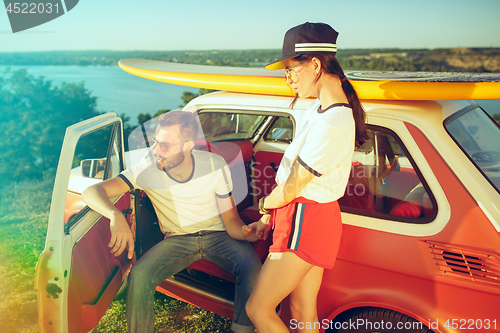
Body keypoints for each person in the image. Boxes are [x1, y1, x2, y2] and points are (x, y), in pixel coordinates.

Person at [82, 111, 261, 333]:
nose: (157, 150)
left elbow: (231, 220)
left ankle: (241, 330)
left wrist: (246, 233)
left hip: (219, 235)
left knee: (251, 266)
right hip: (178, 240)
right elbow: (92, 191)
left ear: (187, 145)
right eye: (156, 142)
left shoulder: (215, 164)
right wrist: (115, 215)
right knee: (140, 274)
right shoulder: (147, 167)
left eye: (165, 145)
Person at [245, 22, 367, 333]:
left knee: (258, 308)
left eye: (291, 69)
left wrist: (263, 209)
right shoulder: (322, 110)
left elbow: (290, 187)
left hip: (304, 217)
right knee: (301, 311)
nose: (288, 79)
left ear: (314, 65)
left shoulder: (333, 121)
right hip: (311, 216)